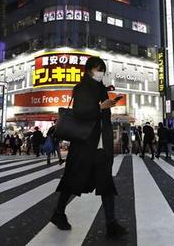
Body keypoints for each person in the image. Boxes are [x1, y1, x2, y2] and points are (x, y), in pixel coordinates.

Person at [50, 56, 127, 239]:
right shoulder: (83, 87)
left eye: (103, 69)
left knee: (106, 183)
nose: (101, 72)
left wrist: (106, 106)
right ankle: (58, 213)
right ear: (89, 69)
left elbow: (101, 116)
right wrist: (101, 107)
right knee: (72, 180)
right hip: (84, 144)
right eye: (98, 69)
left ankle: (111, 224)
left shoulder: (100, 88)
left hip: (99, 144)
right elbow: (81, 112)